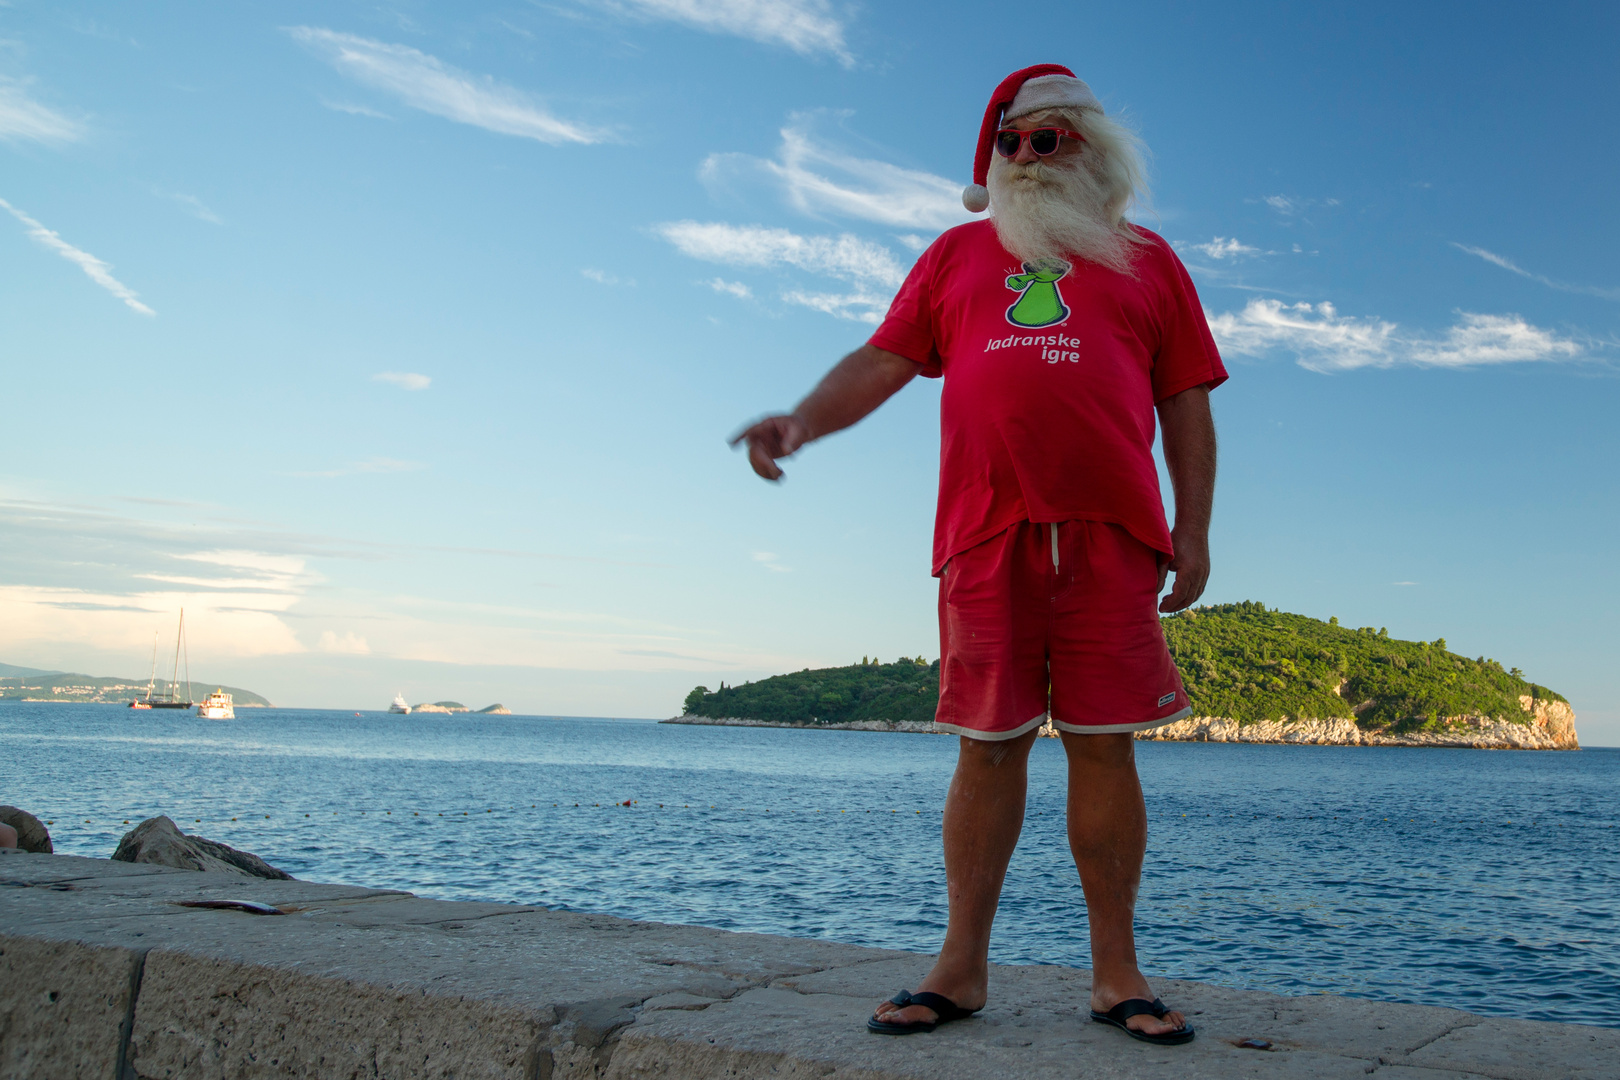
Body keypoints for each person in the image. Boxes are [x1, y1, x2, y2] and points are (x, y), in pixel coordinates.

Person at [732, 64, 1225, 1046]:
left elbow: (1187, 402)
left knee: (1104, 747)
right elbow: (883, 361)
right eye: (1013, 142)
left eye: (1052, 139)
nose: (1030, 157)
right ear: (992, 159)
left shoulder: (1151, 262)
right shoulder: (957, 256)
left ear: (1095, 150)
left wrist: (1196, 530)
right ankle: (958, 971)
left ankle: (1117, 974)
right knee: (988, 748)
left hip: (1115, 537)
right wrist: (801, 423)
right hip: (984, 536)